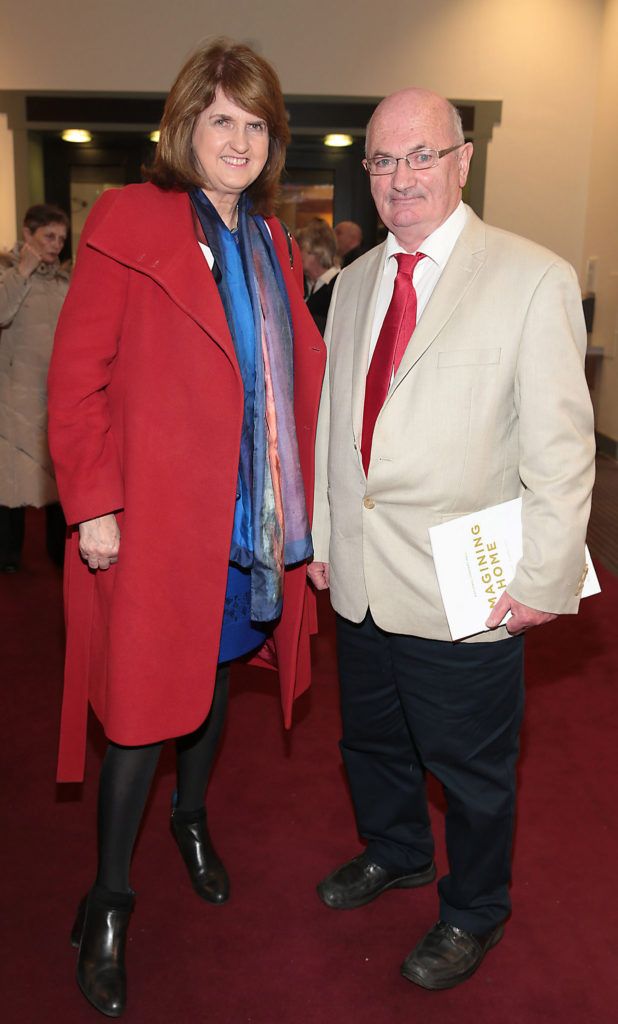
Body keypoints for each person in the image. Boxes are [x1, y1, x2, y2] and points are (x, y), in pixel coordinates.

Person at [47, 39, 325, 1017]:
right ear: (184, 128)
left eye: (256, 124)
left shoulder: (273, 242)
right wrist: (93, 504)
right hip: (159, 521)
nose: (240, 140)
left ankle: (192, 817)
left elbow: (294, 382)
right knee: (139, 712)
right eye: (222, 120)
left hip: (251, 521)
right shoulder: (132, 216)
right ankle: (109, 898)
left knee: (211, 680)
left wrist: (313, 512)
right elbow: (77, 376)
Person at [308, 88, 595, 991]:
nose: (401, 178)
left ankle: (475, 910)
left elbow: (561, 447)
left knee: (472, 772)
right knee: (371, 743)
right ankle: (396, 850)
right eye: (384, 161)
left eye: (421, 156)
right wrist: (323, 535)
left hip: (465, 588)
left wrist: (547, 576)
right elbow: (333, 425)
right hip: (360, 575)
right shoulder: (352, 283)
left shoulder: (530, 277)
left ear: (462, 161)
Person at [0, 204, 69, 571]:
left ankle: (59, 554)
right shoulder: (6, 272)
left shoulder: (64, 280)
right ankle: (8, 556)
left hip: (54, 393)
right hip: (13, 394)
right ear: (28, 234)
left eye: (61, 238)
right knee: (9, 481)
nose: (57, 245)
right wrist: (23, 269)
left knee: (58, 477)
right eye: (48, 236)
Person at [297, 219, 339, 333]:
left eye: (300, 248)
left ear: (317, 249)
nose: (296, 254)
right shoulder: (302, 285)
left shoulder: (340, 284)